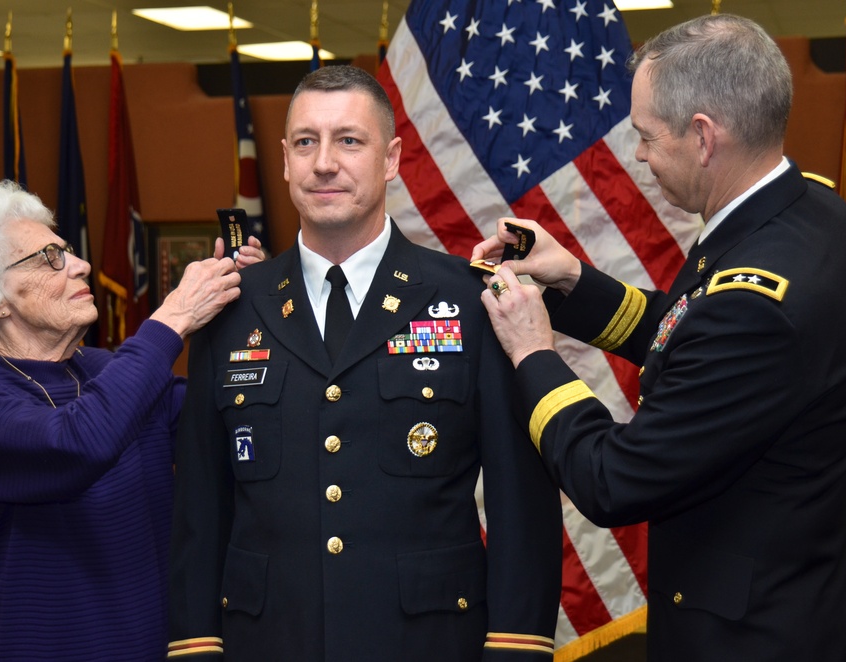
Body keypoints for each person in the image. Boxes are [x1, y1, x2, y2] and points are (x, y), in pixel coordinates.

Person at [472, 14, 846, 662]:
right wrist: (571, 278)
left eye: (647, 137)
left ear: (704, 137)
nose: (641, 155)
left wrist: (533, 352)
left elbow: (612, 480)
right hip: (804, 599)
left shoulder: (756, 303)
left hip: (748, 639)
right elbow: (692, 334)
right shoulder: (813, 214)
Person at [167, 65, 562, 661]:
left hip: (426, 643)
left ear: (391, 157)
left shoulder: (466, 300)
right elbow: (201, 503)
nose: (324, 162)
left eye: (349, 140)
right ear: (283, 159)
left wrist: (516, 649)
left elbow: (520, 503)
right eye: (306, 142)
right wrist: (196, 647)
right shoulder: (228, 306)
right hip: (269, 642)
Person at [0, 180, 262, 661]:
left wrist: (261, 307)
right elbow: (77, 444)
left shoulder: (107, 369)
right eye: (49, 258)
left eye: (68, 251)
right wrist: (172, 318)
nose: (82, 265)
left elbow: (230, 424)